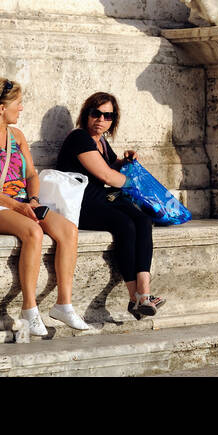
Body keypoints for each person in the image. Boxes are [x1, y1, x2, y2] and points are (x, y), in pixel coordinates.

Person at [0, 78, 90, 336]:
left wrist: (33, 200)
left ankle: (64, 304)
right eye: (18, 103)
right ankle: (29, 308)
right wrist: (17, 206)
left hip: (22, 203)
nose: (22, 108)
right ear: (1, 108)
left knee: (69, 230)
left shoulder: (17, 136)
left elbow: (31, 175)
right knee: (33, 232)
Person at [57, 92, 164, 319]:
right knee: (125, 224)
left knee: (144, 220)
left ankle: (143, 293)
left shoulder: (101, 141)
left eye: (108, 116)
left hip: (101, 200)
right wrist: (140, 186)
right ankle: (136, 297)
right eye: (96, 114)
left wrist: (126, 160)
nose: (101, 120)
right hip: (82, 205)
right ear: (86, 114)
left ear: (113, 120)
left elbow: (112, 164)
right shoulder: (80, 138)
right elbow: (106, 175)